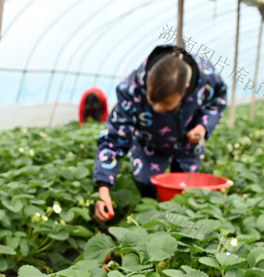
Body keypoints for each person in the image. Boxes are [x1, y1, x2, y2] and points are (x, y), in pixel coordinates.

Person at [92, 44, 227, 223]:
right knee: (146, 189)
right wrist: (103, 187)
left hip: (188, 146)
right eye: (151, 100)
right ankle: (151, 226)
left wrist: (202, 126)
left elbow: (217, 101)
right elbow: (114, 138)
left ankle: (180, 230)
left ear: (185, 89)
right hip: (150, 145)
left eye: (166, 104)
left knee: (184, 196)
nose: (157, 108)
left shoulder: (206, 78)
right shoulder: (132, 88)